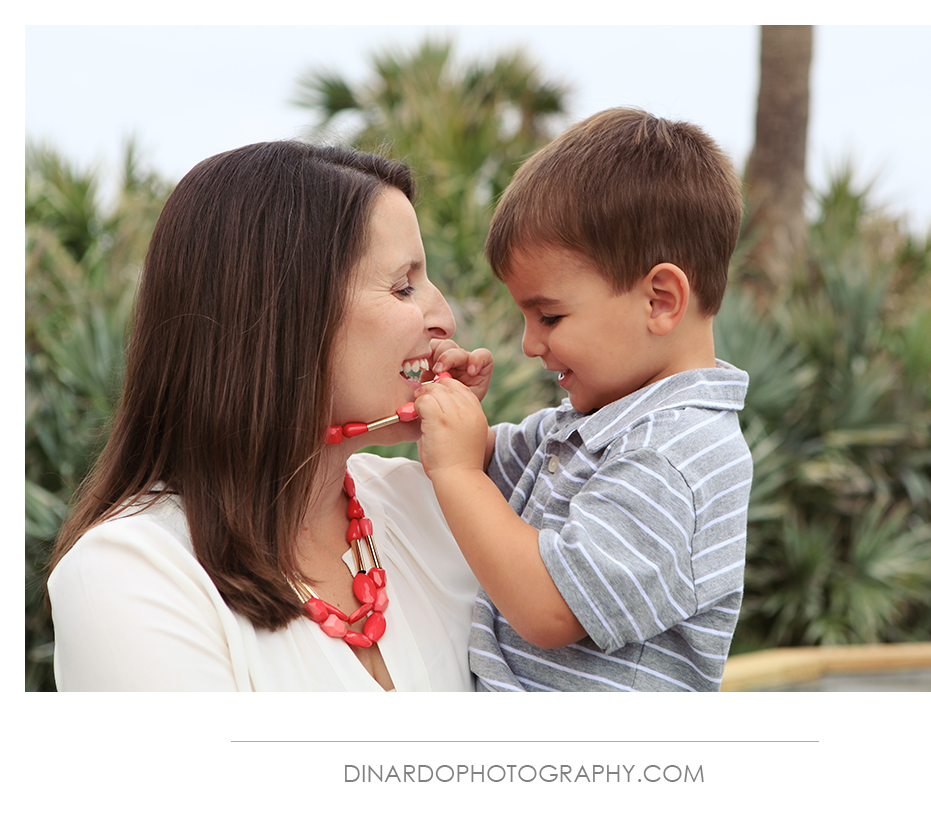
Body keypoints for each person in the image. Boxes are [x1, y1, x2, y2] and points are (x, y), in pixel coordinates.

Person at [45, 141, 486, 691]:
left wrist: (477, 455)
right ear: (285, 313)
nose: (443, 316)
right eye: (403, 286)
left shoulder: (433, 500)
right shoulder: (129, 573)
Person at [413, 108, 753, 691]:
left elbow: (551, 609)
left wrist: (455, 469)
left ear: (660, 300)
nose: (529, 345)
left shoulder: (676, 458)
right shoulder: (588, 427)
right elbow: (486, 466)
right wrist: (455, 413)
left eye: (549, 316)